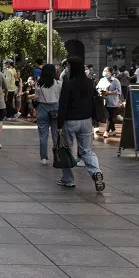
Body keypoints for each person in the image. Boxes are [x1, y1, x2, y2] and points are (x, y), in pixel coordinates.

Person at [57, 57, 106, 191]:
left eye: (68, 66)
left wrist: (59, 125)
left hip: (70, 121)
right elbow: (93, 101)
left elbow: (63, 105)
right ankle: (96, 172)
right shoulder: (90, 83)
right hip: (86, 120)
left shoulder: (68, 84)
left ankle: (68, 179)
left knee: (67, 150)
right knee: (86, 150)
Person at [34, 64, 61, 165]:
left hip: (42, 108)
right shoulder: (58, 83)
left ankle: (43, 158)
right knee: (56, 133)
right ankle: (57, 155)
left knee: (43, 134)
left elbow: (37, 97)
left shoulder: (39, 84)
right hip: (55, 108)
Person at [97, 68, 122, 139]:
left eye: (107, 71)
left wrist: (109, 92)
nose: (105, 73)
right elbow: (97, 88)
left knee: (110, 117)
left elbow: (118, 91)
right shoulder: (102, 80)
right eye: (104, 71)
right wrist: (100, 91)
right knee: (109, 116)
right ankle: (113, 130)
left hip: (113, 101)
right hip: (104, 101)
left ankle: (106, 131)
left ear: (111, 72)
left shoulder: (115, 81)